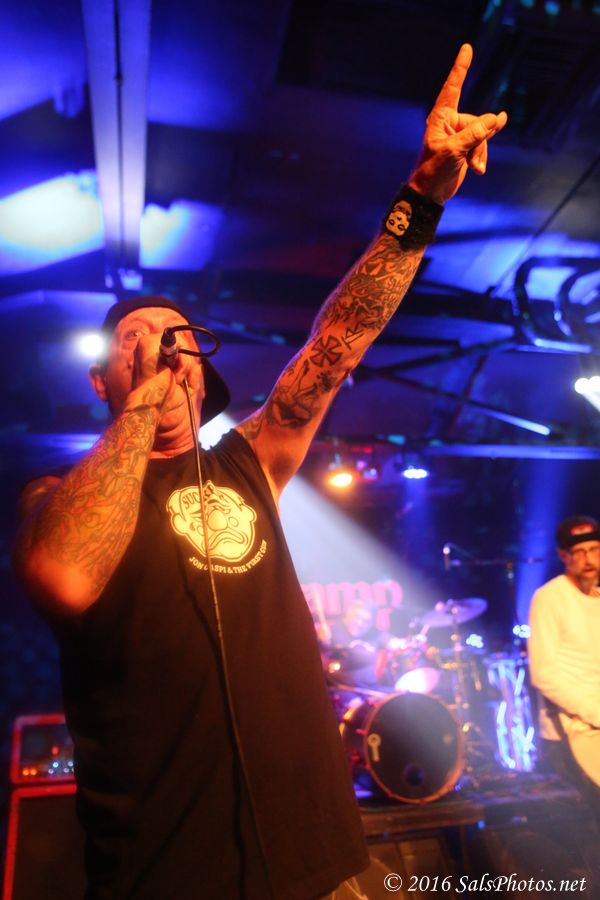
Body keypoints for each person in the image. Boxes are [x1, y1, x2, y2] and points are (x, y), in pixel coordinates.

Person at [14, 45, 506, 900]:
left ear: (204, 368)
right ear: (101, 379)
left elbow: (337, 341)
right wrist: (143, 400)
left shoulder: (248, 461)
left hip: (326, 862)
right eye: (136, 341)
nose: (164, 351)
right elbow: (63, 575)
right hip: (171, 876)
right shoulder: (56, 497)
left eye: (179, 339)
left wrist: (421, 198)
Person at [528, 515, 600, 831]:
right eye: (579, 552)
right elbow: (544, 674)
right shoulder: (549, 598)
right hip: (569, 735)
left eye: (594, 550)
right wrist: (595, 712)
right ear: (563, 556)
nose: (589, 560)